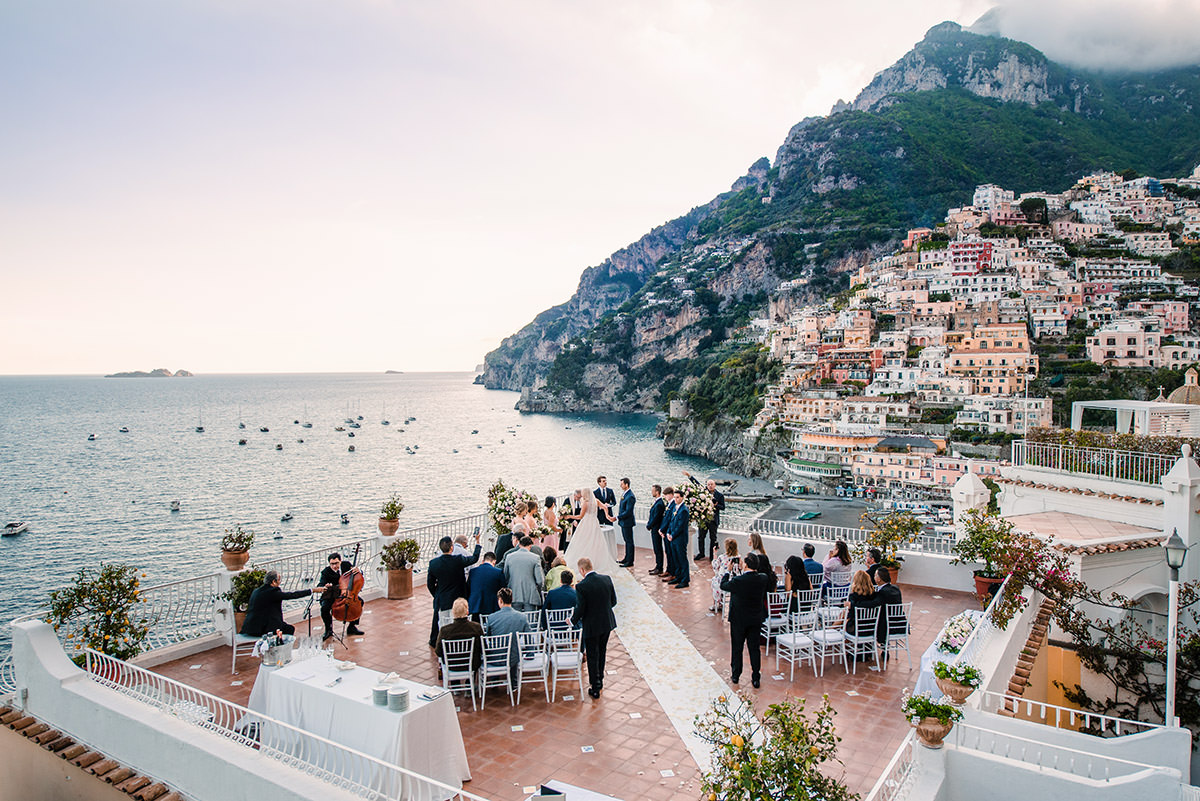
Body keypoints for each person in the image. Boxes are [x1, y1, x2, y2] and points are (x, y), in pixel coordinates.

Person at [720, 552, 772, 688]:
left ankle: (736, 674)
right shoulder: (762, 578)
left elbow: (724, 585)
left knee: (737, 648)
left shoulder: (739, 581)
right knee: (754, 648)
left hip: (739, 619)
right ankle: (756, 676)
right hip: (755, 618)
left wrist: (728, 571)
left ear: (747, 564)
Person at [572, 557, 617, 699]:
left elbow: (581, 609)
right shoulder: (606, 579)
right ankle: (600, 680)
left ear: (582, 570)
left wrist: (572, 620)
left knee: (592, 654)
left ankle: (595, 686)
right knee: (602, 651)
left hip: (591, 625)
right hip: (606, 623)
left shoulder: (581, 586)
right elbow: (613, 601)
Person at [427, 532, 482, 647]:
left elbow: (430, 584)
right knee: (458, 621)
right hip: (458, 595)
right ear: (451, 547)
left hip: (442, 597)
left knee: (441, 621)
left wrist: (436, 594)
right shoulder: (458, 560)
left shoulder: (433, 564)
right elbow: (474, 558)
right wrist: (477, 542)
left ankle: (440, 643)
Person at [565, 489, 622, 575]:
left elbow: (580, 516)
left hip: (586, 524)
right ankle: (596, 562)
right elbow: (605, 507)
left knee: (582, 542)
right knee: (596, 542)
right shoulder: (596, 501)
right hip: (595, 523)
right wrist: (608, 516)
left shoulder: (585, 503)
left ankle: (584, 563)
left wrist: (570, 516)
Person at [240, 570, 313, 637]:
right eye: (279, 580)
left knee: (283, 626)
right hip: (261, 629)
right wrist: (311, 590)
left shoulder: (256, 591)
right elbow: (292, 595)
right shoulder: (273, 592)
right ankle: (279, 649)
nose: (280, 582)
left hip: (249, 627)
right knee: (289, 629)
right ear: (273, 582)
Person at [486, 588, 530, 686]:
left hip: (495, 658)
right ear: (512, 599)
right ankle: (513, 683)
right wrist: (530, 652)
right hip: (512, 658)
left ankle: (494, 680)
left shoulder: (491, 617)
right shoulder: (522, 617)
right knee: (513, 651)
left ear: (500, 600)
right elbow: (528, 637)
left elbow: (487, 637)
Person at [319, 552, 365, 641]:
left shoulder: (346, 565)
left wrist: (359, 571)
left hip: (348, 595)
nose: (334, 566)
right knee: (324, 608)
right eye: (332, 564)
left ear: (340, 561)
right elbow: (321, 583)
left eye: (336, 563)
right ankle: (328, 629)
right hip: (332, 596)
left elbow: (357, 574)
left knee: (360, 602)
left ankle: (352, 626)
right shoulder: (326, 572)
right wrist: (325, 585)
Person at [434, 598, 484, 671]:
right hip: (471, 665)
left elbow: (438, 651)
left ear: (453, 612)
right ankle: (470, 680)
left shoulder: (445, 631)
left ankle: (455, 681)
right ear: (467, 611)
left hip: (451, 664)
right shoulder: (476, 627)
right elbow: (482, 648)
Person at [685, 471, 725, 561]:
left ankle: (712, 556)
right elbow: (697, 484)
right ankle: (701, 553)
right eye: (708, 484)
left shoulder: (720, 495)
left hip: (713, 520)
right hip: (703, 519)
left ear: (715, 485)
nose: (710, 486)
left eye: (711, 484)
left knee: (713, 538)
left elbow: (723, 507)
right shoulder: (704, 492)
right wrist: (689, 476)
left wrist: (715, 505)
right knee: (701, 537)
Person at [503, 536, 545, 612]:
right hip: (530, 593)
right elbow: (540, 580)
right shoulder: (535, 558)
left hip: (514, 592)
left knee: (516, 618)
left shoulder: (509, 557)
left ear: (519, 545)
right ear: (530, 546)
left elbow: (506, 576)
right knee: (531, 620)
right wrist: (538, 589)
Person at [871, 567, 904, 645]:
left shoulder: (883, 592)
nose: (874, 577)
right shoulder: (895, 588)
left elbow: (874, 604)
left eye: (875, 575)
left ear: (879, 579)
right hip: (899, 624)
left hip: (887, 627)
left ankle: (866, 648)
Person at [665, 487, 690, 588]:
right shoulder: (675, 508)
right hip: (673, 538)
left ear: (682, 498)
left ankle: (685, 580)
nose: (675, 499)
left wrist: (672, 535)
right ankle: (678, 576)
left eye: (678, 497)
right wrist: (668, 532)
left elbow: (680, 526)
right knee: (676, 559)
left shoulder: (684, 510)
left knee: (682, 559)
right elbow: (671, 522)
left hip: (680, 539)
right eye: (675, 497)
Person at [467, 552, 504, 619]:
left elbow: (468, 588)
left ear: (483, 561)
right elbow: (502, 589)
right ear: (494, 561)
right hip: (491, 606)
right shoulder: (498, 572)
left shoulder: (473, 571)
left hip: (475, 605)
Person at [710, 538, 740, 614]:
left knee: (714, 580)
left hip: (724, 581)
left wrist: (714, 553)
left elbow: (715, 566)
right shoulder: (738, 557)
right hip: (734, 581)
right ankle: (721, 602)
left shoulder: (722, 557)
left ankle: (716, 603)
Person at [844, 570, 877, 637]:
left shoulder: (853, 597)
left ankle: (829, 631)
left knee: (844, 615)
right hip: (871, 629)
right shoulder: (874, 596)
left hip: (856, 629)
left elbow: (851, 615)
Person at [645, 484, 666, 575]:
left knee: (658, 548)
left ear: (657, 492)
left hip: (656, 529)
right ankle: (658, 566)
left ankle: (659, 567)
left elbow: (656, 517)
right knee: (656, 548)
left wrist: (649, 525)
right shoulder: (658, 502)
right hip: (654, 528)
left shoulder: (659, 503)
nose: (651, 492)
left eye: (653, 490)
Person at [616, 478, 637, 567]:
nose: (621, 486)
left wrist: (617, 517)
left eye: (622, 484)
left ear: (626, 484)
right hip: (624, 522)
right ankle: (626, 558)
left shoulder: (630, 496)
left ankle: (630, 561)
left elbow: (628, 511)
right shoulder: (625, 494)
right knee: (626, 541)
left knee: (629, 541)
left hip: (627, 522)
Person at [660, 487, 677, 582]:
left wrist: (663, 529)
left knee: (671, 553)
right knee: (668, 552)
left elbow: (669, 519)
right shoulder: (669, 504)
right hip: (665, 532)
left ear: (671, 494)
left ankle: (672, 572)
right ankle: (668, 569)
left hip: (669, 532)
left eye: (666, 495)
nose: (665, 497)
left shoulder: (674, 504)